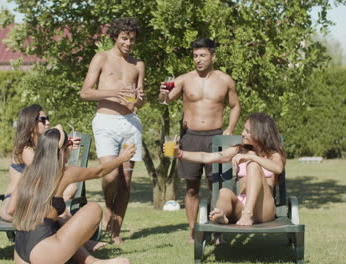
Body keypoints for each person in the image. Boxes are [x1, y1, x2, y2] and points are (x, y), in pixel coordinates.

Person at [9, 125, 134, 264]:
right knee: (93, 209)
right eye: (68, 145)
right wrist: (121, 158)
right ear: (62, 151)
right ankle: (92, 259)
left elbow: (11, 209)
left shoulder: (29, 172)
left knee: (58, 222)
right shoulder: (63, 172)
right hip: (43, 251)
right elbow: (99, 172)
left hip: (20, 248)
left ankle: (92, 261)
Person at [158, 38, 241, 241]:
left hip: (216, 137)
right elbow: (166, 101)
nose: (198, 60)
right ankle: (194, 230)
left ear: (213, 56)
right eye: (195, 56)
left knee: (217, 186)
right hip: (191, 137)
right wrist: (162, 95)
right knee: (192, 187)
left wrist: (230, 128)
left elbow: (236, 106)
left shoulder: (225, 80)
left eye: (202, 55)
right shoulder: (184, 79)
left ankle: (217, 230)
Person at [80, 17, 145, 245]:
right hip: (106, 122)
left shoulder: (138, 65)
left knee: (126, 179)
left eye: (132, 39)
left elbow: (138, 102)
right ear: (115, 37)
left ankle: (115, 232)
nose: (129, 43)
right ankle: (108, 209)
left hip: (130, 123)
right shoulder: (102, 58)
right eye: (124, 38)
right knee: (110, 174)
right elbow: (85, 92)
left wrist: (139, 100)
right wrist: (111, 93)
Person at [167, 112, 285, 226]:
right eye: (244, 129)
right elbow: (207, 157)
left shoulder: (273, 155)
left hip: (263, 209)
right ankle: (221, 214)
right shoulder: (240, 150)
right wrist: (180, 153)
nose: (242, 133)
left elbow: (278, 168)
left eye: (247, 131)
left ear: (260, 134)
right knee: (224, 192)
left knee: (253, 165)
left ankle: (248, 213)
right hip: (241, 206)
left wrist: (250, 157)